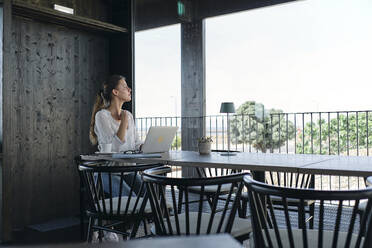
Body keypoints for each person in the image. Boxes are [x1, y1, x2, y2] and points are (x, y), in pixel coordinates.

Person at [89, 75, 142, 196]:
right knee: (132, 201)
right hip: (108, 172)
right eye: (125, 86)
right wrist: (123, 122)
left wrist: (145, 146)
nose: (130, 89)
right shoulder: (102, 116)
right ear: (115, 92)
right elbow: (113, 149)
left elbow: (136, 143)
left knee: (151, 196)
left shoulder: (128, 115)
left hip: (128, 170)